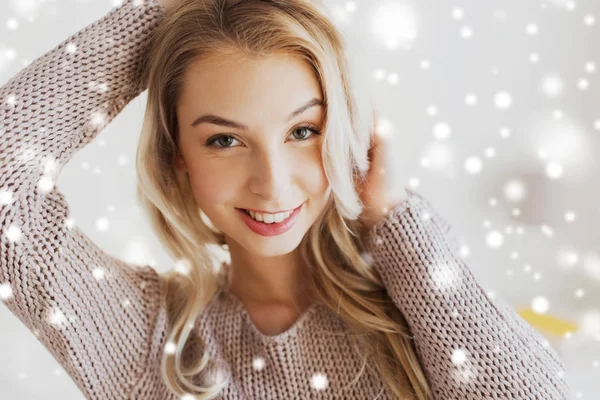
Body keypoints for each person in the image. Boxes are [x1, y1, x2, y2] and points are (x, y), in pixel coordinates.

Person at [0, 0, 571, 399]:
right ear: (180, 155)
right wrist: (163, 11)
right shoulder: (153, 339)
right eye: (225, 140)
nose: (271, 183)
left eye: (302, 132)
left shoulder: (418, 311)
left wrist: (395, 220)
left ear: (347, 132)